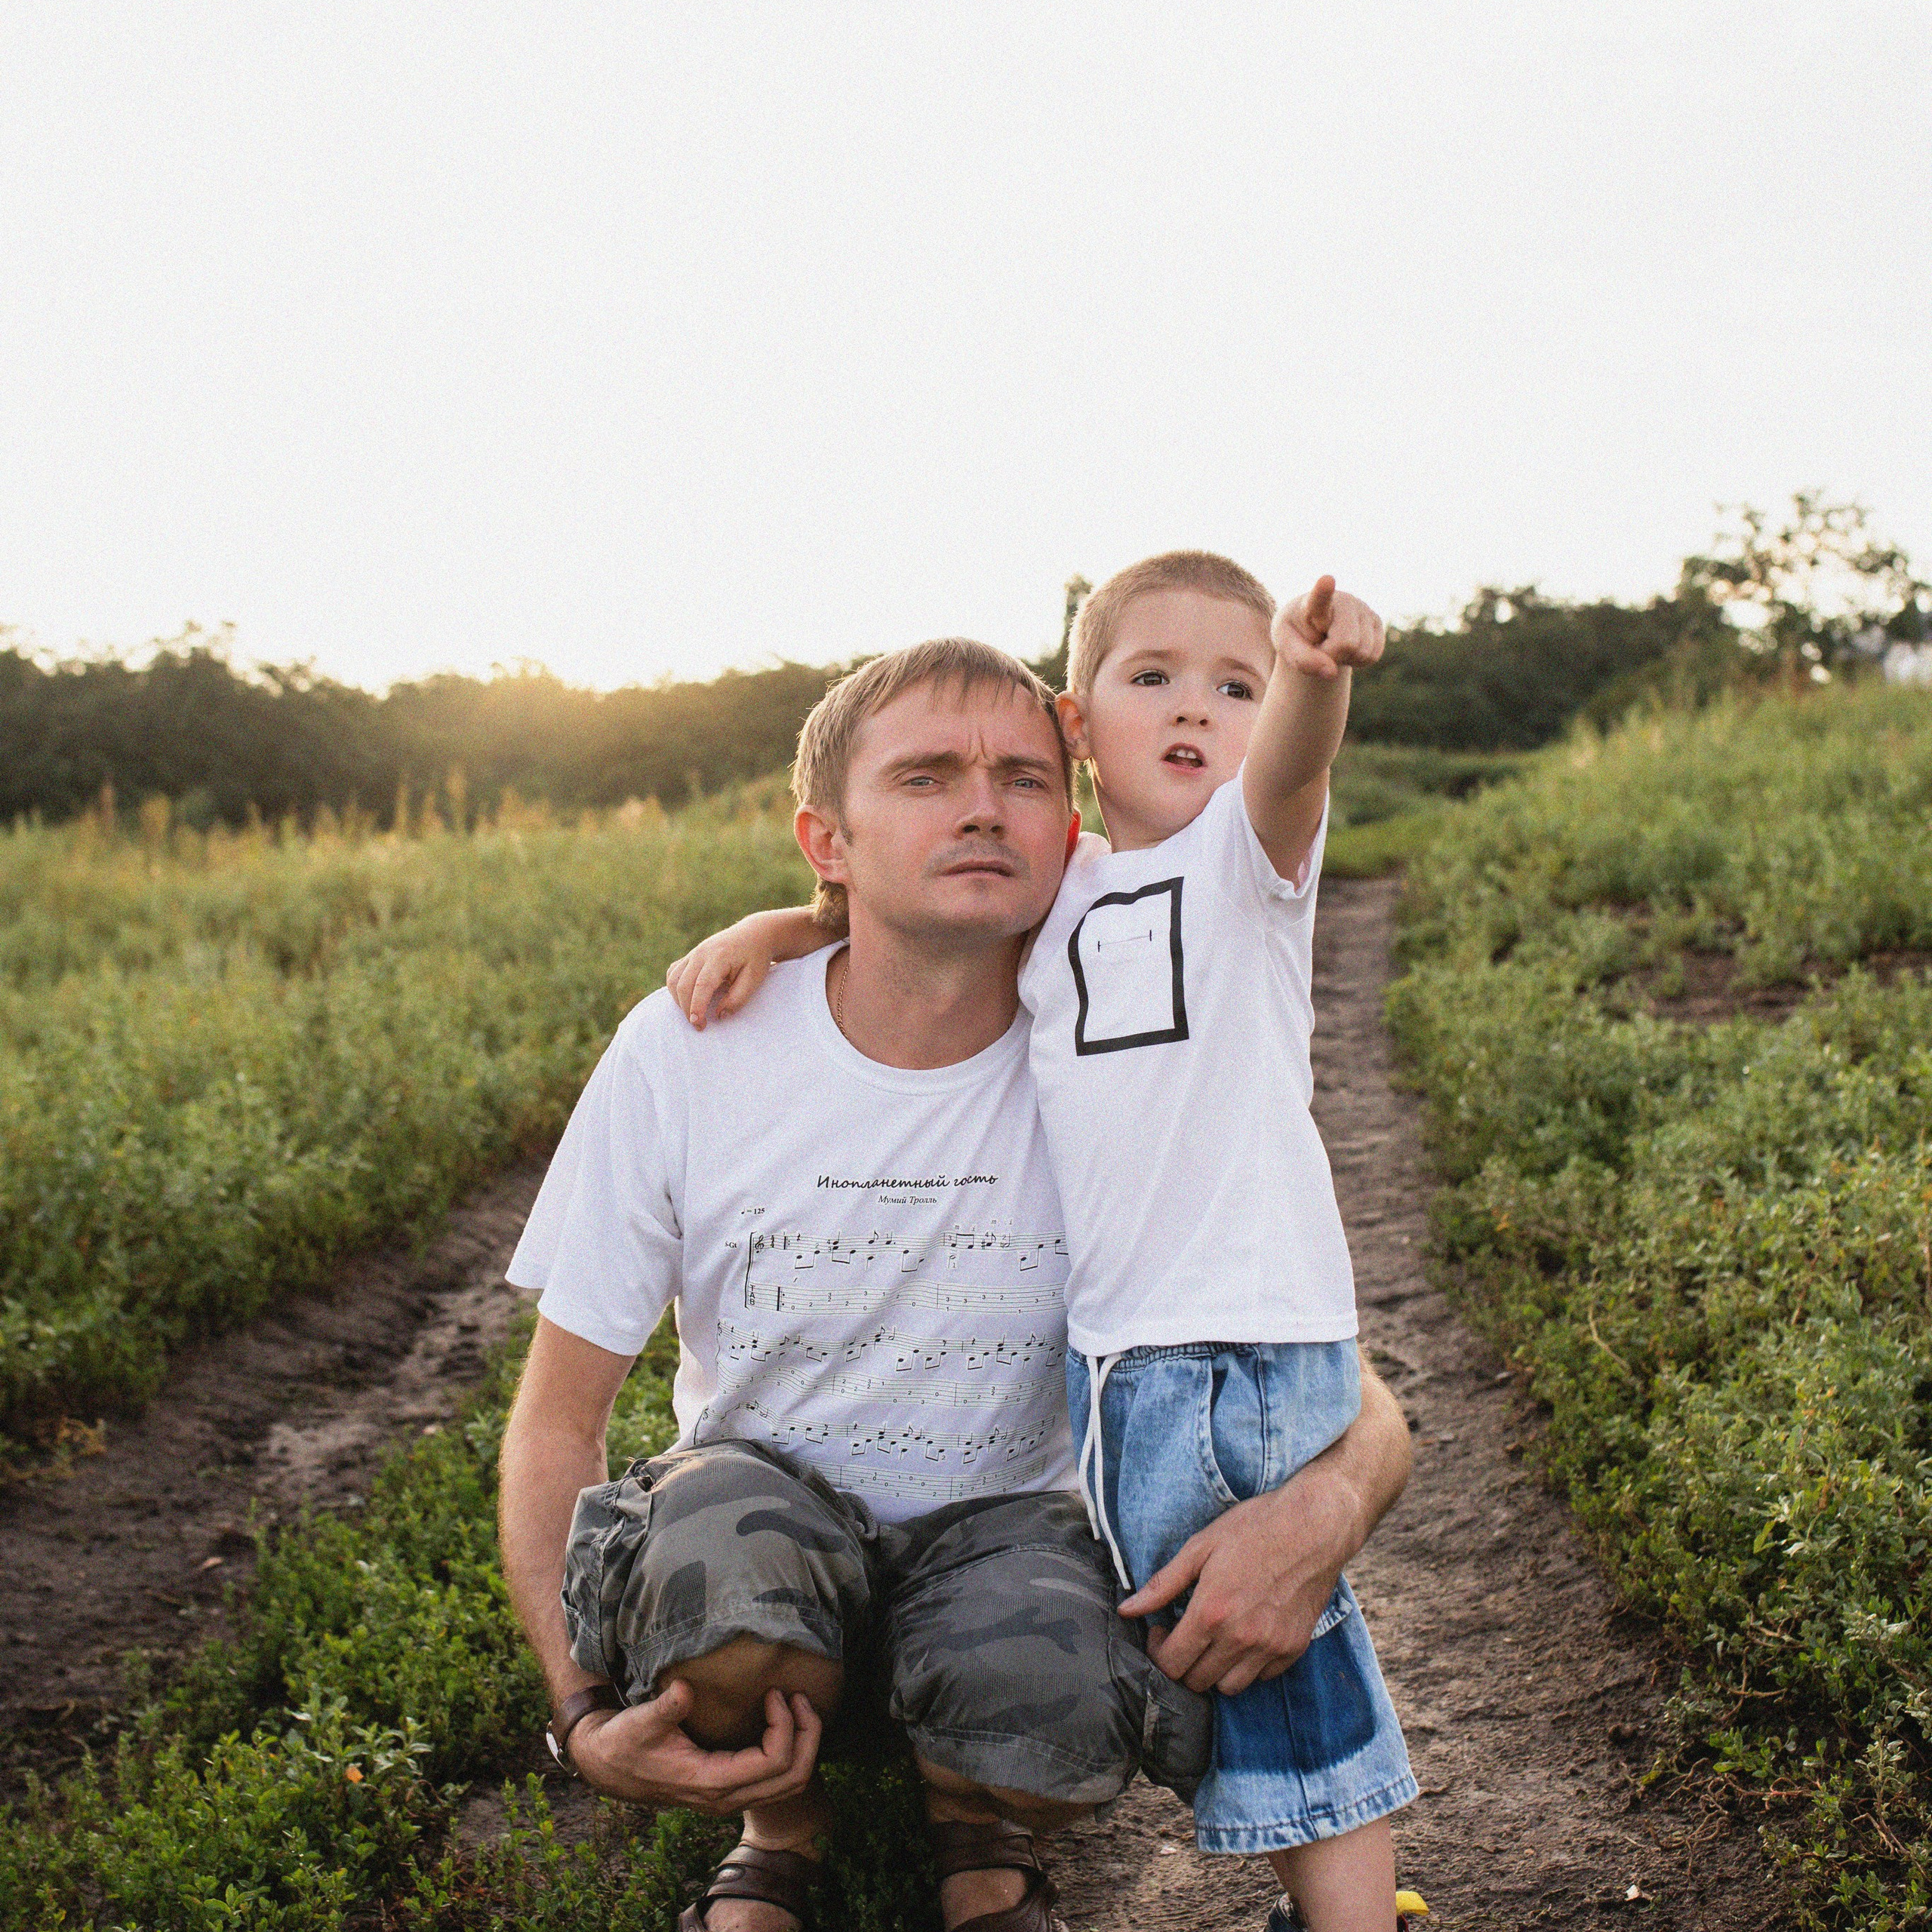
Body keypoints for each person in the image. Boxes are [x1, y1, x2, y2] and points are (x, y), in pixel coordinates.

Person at [498, 633, 1415, 1932]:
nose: (984, 805)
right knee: (719, 1557)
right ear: (828, 840)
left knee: (1050, 1682)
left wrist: (1323, 1510)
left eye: (1026, 780)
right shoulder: (692, 1048)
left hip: (1009, 1564)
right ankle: (781, 1830)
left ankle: (981, 1839)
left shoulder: (1122, 1054)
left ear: (1072, 824)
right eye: (927, 776)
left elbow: (1316, 1363)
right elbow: (554, 1420)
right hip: (777, 1573)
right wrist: (582, 1717)